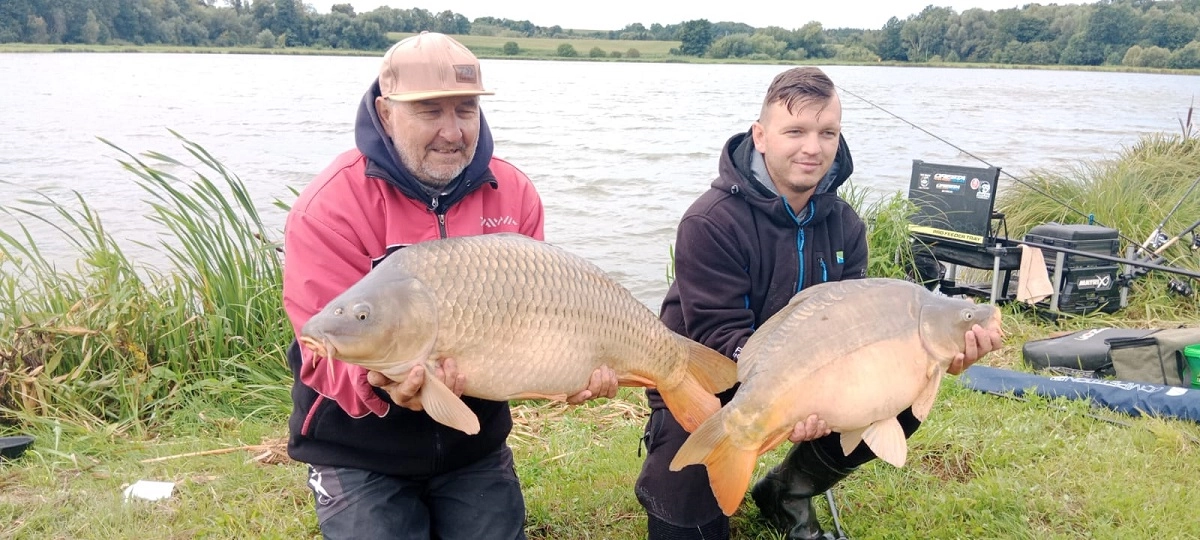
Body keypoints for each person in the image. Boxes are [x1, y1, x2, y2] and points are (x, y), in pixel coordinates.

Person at [634, 67, 1003, 540]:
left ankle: (787, 490)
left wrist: (939, 356)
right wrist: (784, 387)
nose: (813, 147)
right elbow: (716, 335)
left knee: (905, 397)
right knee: (685, 515)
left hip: (812, 375)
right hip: (708, 377)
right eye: (796, 131)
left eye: (827, 132)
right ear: (761, 136)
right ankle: (678, 454)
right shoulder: (709, 222)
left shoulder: (846, 225)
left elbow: (860, 326)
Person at [282, 32, 617, 539]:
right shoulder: (330, 206)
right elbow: (320, 343)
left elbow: (540, 323)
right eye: (429, 111)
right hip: (357, 446)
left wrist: (576, 369)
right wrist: (380, 385)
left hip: (471, 446)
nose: (452, 131)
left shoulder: (514, 191)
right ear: (386, 111)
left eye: (465, 110)